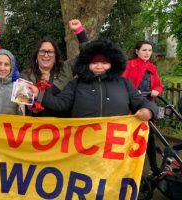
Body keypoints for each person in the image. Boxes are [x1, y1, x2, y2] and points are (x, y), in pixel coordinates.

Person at [29, 39, 158, 121]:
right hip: (82, 149)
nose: (99, 66)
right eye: (94, 62)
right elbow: (60, 104)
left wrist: (149, 111)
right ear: (87, 64)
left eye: (104, 62)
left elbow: (143, 102)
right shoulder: (76, 84)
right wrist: (38, 94)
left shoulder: (124, 83)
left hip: (114, 151)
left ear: (112, 63)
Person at [20, 19, 88, 117]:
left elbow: (86, 56)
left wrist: (79, 31)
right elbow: (21, 105)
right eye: (42, 51)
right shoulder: (26, 75)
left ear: (56, 55)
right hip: (35, 129)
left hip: (62, 129)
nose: (46, 55)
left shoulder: (66, 68)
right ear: (37, 54)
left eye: (50, 52)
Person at [122, 41, 164, 175]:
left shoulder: (152, 68)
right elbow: (122, 82)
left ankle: (154, 167)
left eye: (150, 50)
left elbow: (158, 85)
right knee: (128, 138)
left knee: (149, 138)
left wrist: (156, 90)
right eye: (144, 50)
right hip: (130, 107)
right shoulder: (129, 65)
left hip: (147, 107)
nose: (147, 53)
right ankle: (124, 168)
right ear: (137, 51)